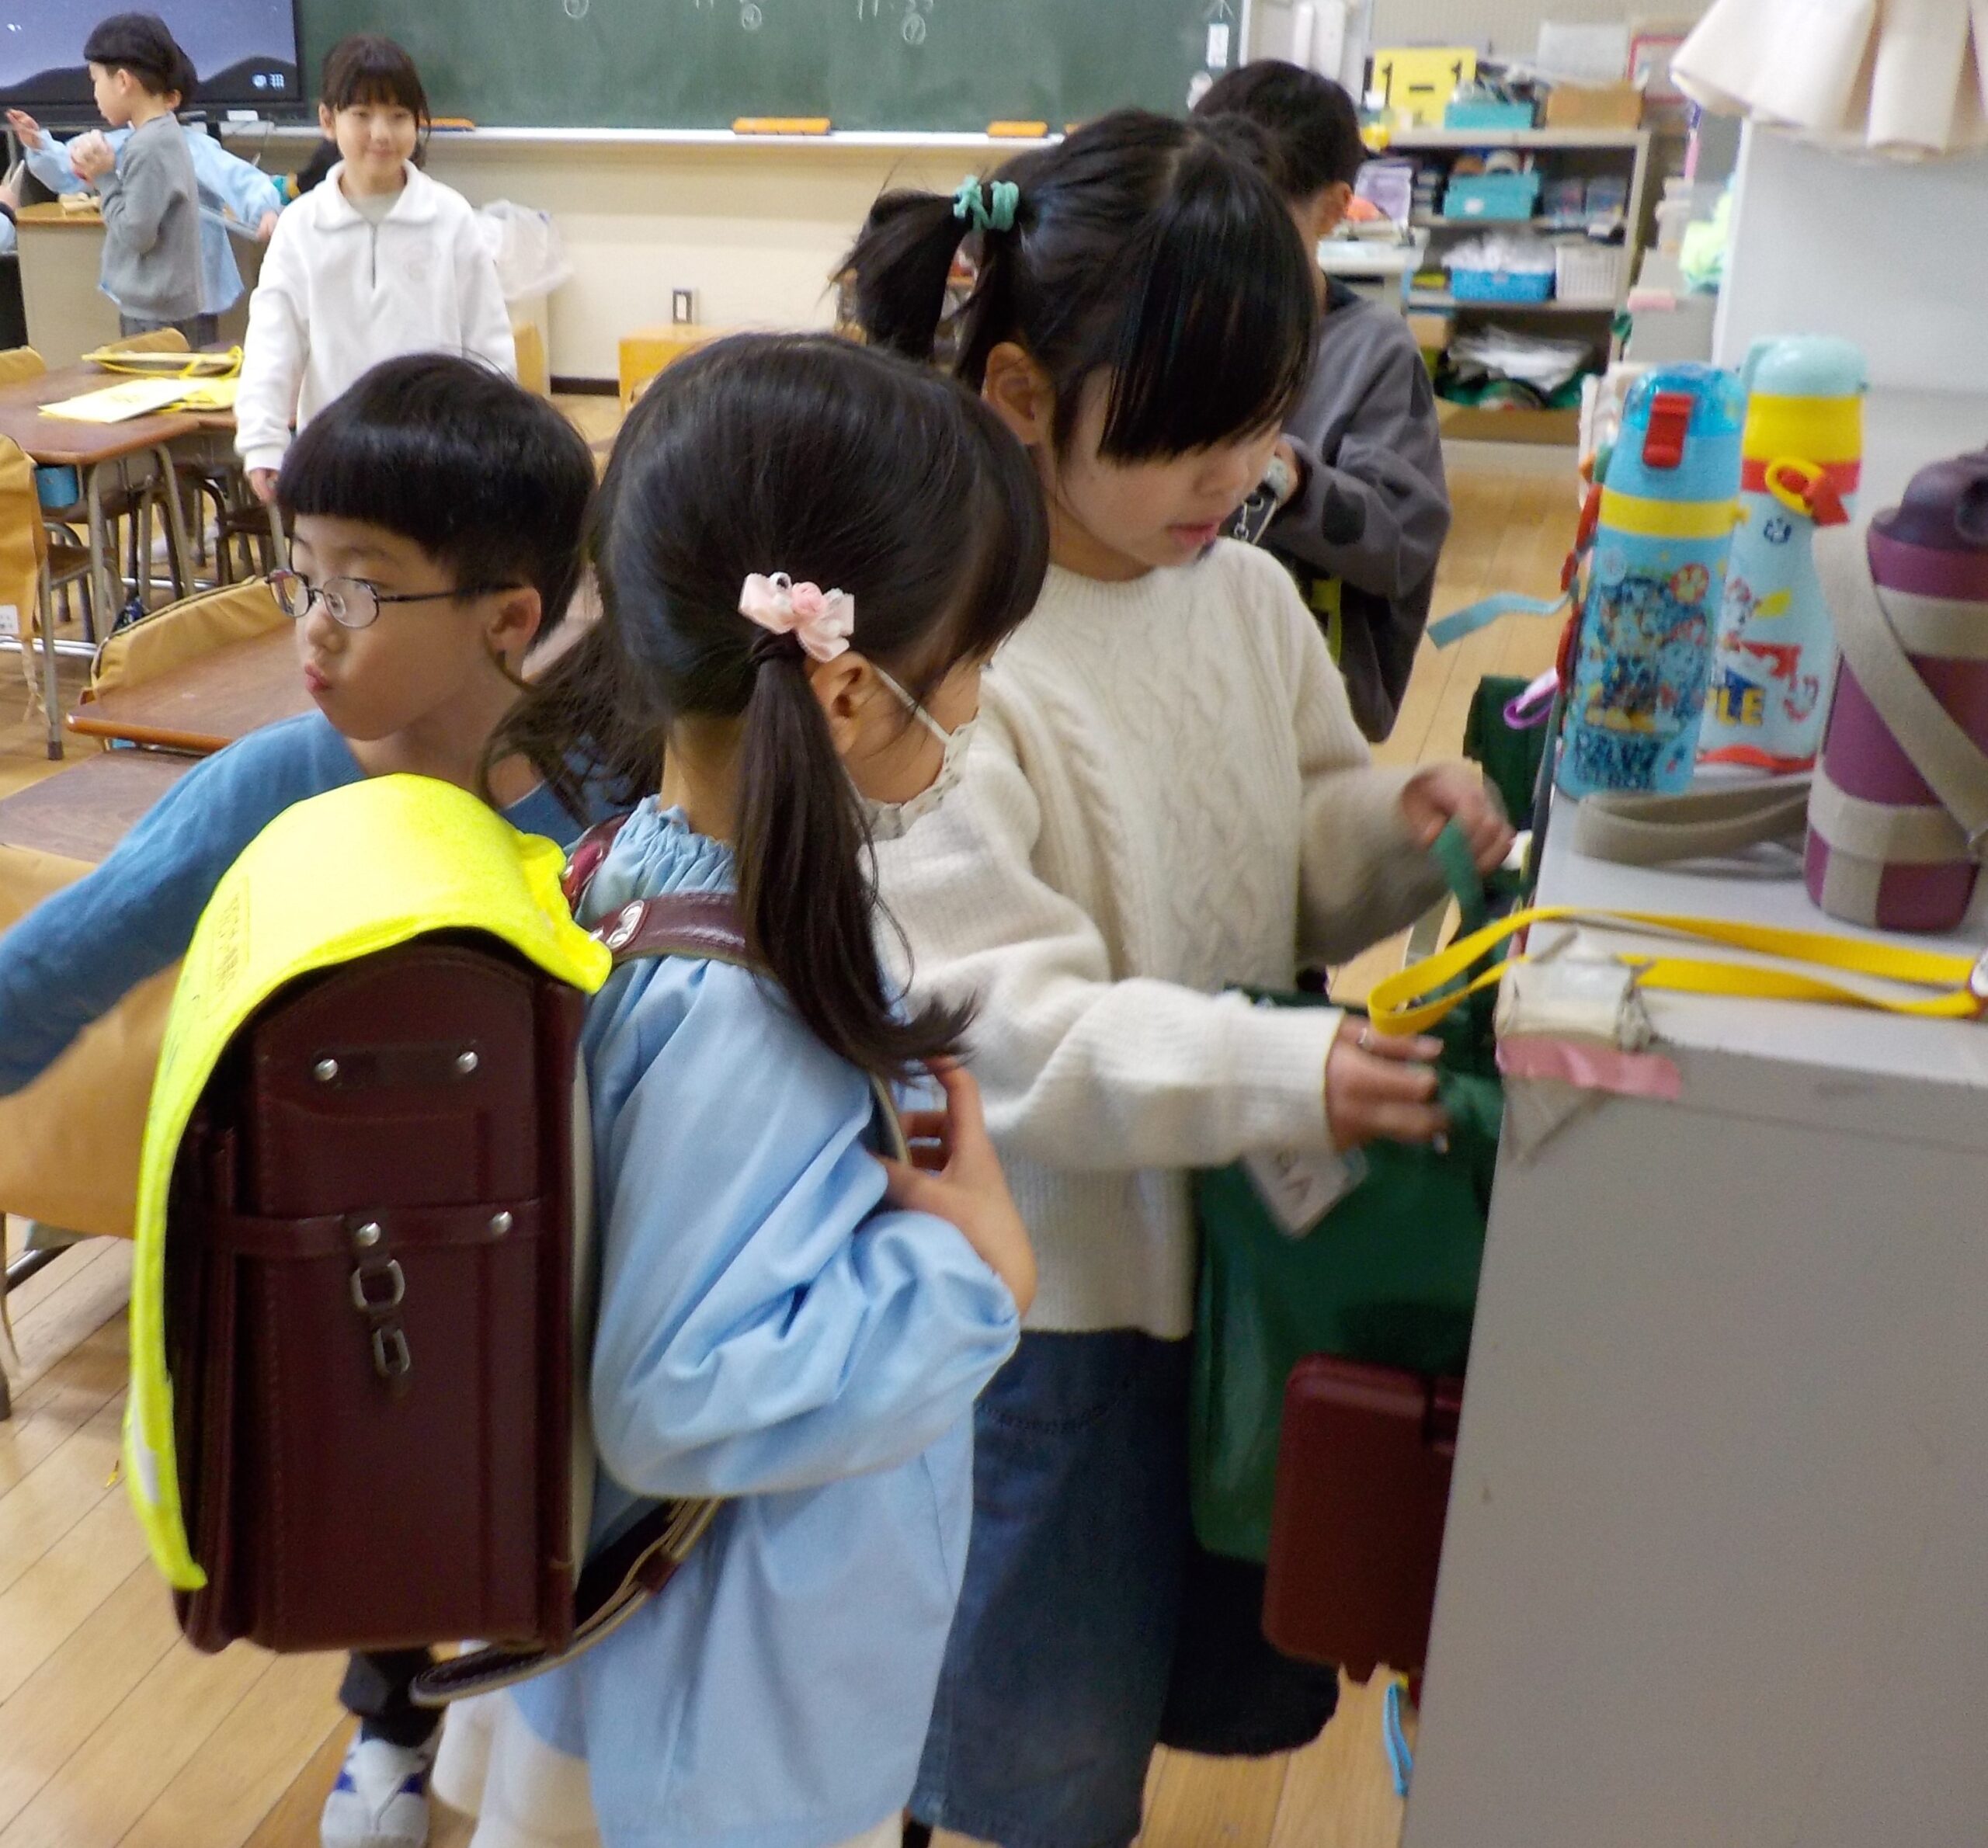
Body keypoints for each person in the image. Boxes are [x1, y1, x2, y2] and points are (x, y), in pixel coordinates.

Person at [842, 109, 1512, 1848]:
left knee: (1175, 1657)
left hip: (1230, 1257)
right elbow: (996, 1028)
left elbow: (1290, 839)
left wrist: (1394, 829)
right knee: (1038, 1742)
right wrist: (1281, 1071)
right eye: (1187, 437)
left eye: (1261, 424)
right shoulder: (951, 671)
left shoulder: (1238, 598)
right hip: (1054, 1303)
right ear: (1017, 395)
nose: (1240, 476)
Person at [425, 331, 1044, 1848]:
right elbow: (673, 1392)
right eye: (968, 660)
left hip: (650, 1675)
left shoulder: (631, 866)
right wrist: (970, 1280)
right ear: (847, 691)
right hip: (706, 1729)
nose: (974, 699)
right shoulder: (745, 1005)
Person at [0, 353, 600, 1848]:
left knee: (557, 1503)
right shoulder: (274, 785)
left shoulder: (613, 795)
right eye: (302, 576)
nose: (312, 626)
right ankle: (391, 1721)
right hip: (369, 1250)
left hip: (591, 1231)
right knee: (395, 1477)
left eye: (359, 589)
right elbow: (58, 968)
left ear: (510, 617)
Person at [1196, 59, 1452, 743]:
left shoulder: (1373, 351)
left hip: (1305, 710)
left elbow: (1402, 544)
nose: (1229, 235)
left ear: (1336, 209)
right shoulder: (1176, 319)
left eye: (1261, 213)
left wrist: (1296, 481)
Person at [235, 34, 513, 501]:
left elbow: (487, 340)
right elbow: (273, 341)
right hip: (335, 458)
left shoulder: (450, 217)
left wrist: (496, 438)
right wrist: (263, 440)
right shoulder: (301, 226)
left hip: (436, 455)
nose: (382, 133)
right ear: (328, 121)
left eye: (399, 116)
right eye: (362, 115)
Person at [9, 50, 285, 331]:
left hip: (185, 294)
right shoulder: (123, 143)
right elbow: (70, 166)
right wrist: (39, 144)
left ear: (172, 99)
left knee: (189, 351)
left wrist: (264, 209)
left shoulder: (194, 148)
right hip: (144, 294)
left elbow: (240, 178)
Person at [60, 12, 203, 343]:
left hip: (154, 316)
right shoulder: (162, 134)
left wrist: (105, 177)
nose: (95, 93)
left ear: (123, 82)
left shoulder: (148, 145)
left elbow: (137, 234)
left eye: (96, 80)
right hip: (161, 310)